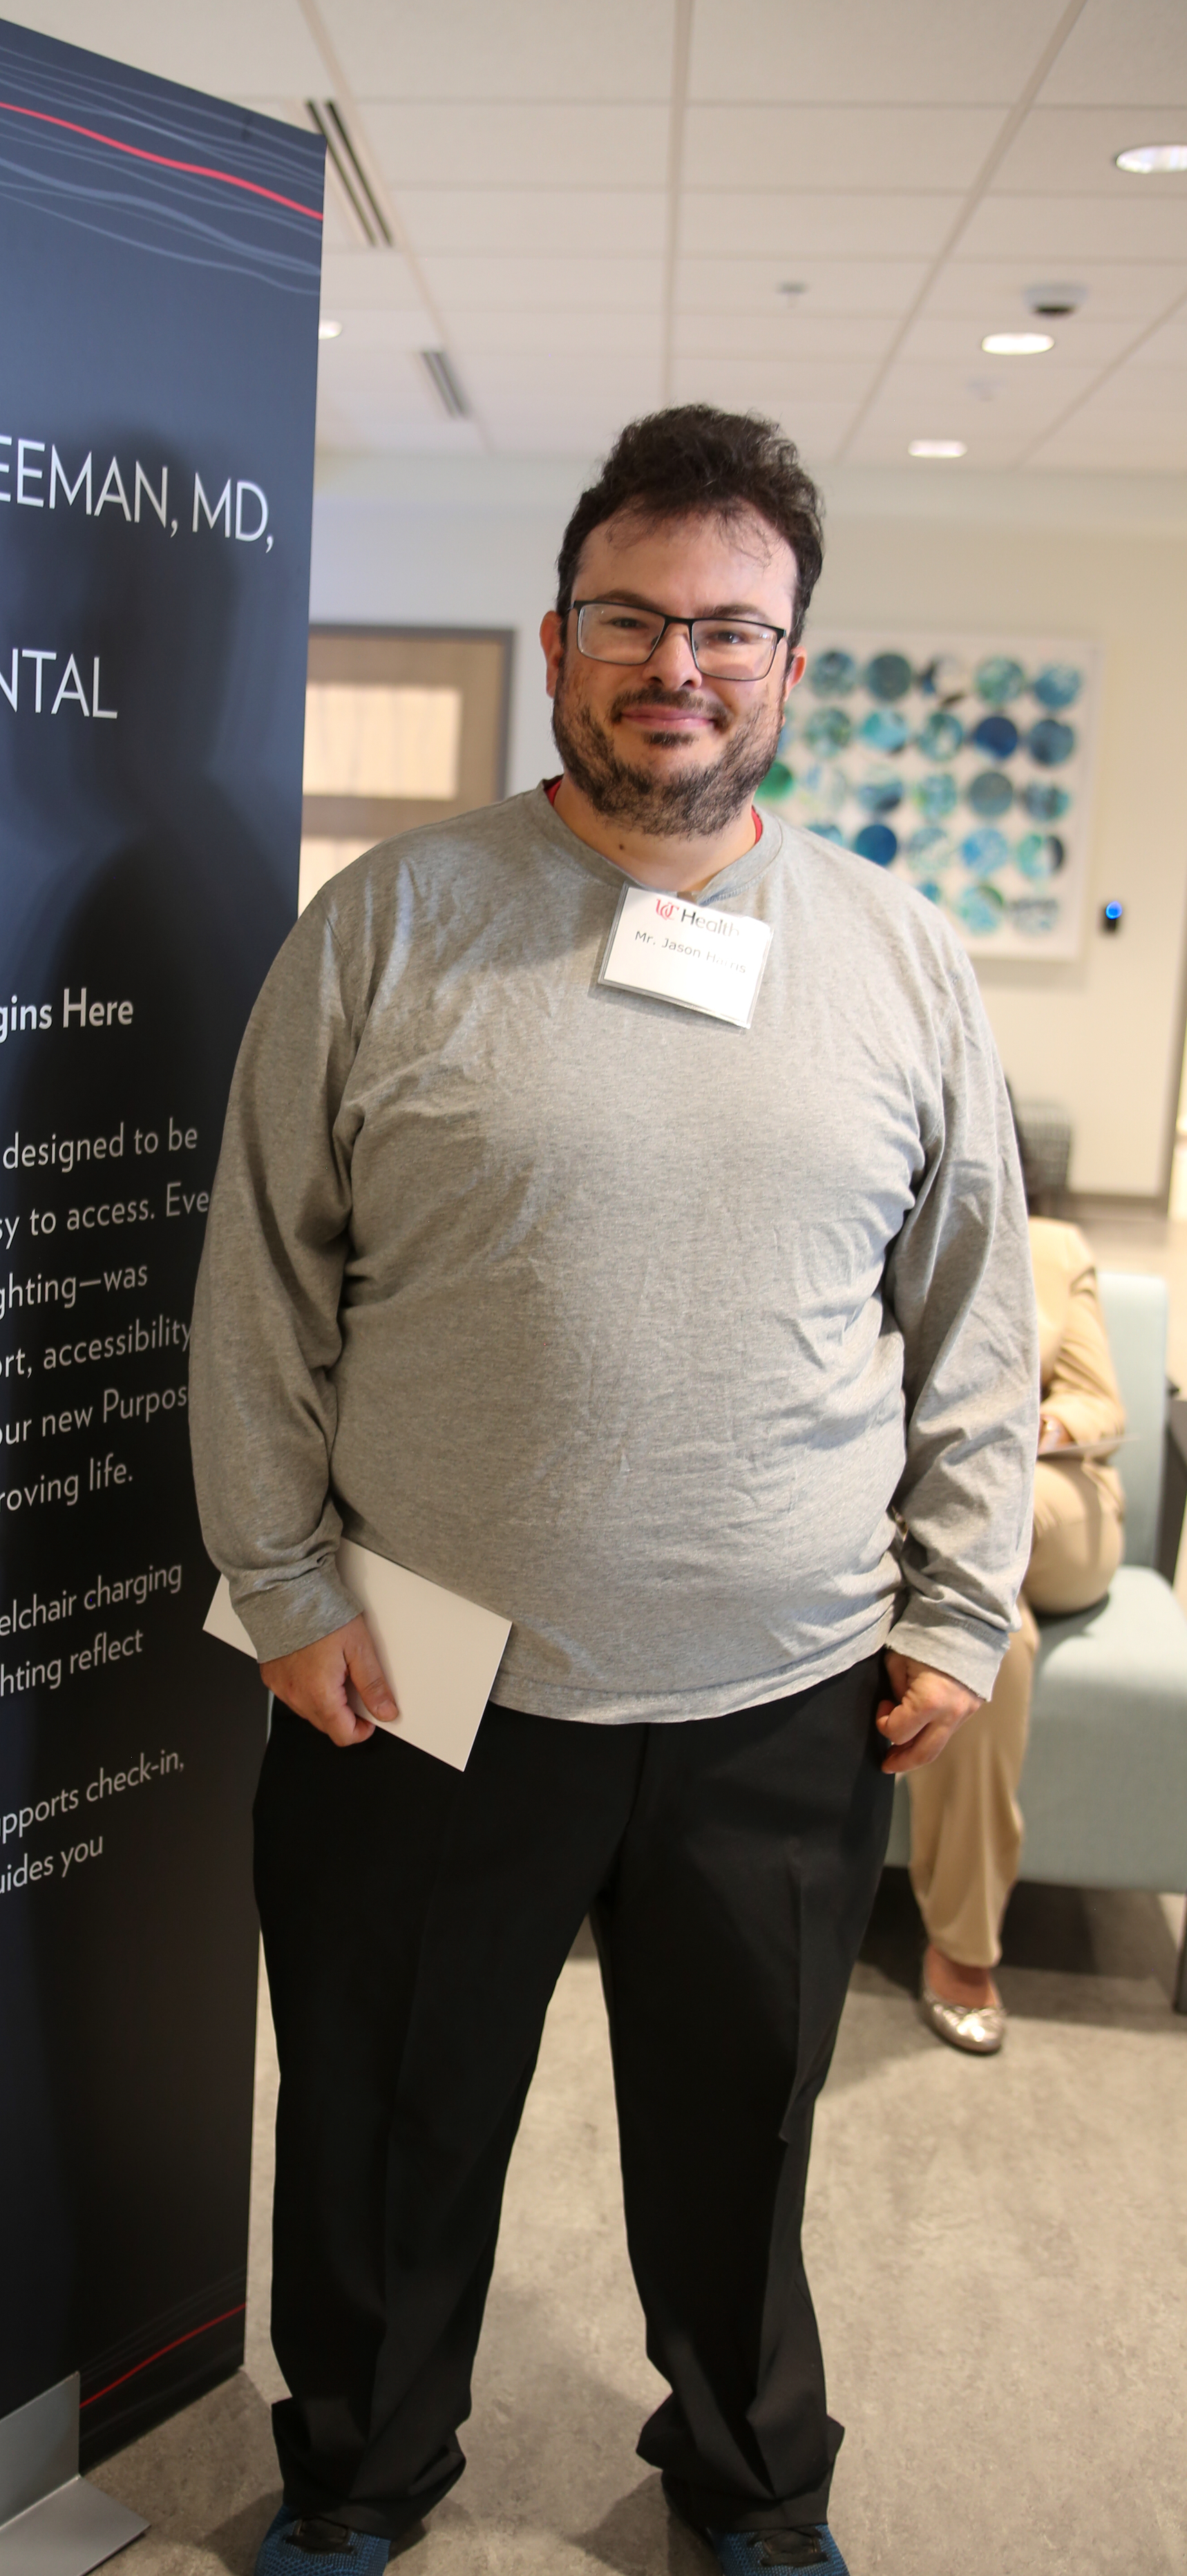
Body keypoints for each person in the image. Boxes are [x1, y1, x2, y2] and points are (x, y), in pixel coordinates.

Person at [189, 406, 1036, 2576]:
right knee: (384, 2125)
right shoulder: (384, 926)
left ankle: (751, 2483)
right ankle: (360, 2469)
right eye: (632, 617)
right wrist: (276, 1586)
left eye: (729, 628)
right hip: (419, 1670)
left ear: (788, 662)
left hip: (775, 1686)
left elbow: (967, 1309)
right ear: (555, 632)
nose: (679, 663)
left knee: (736, 2137)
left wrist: (954, 1606)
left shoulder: (894, 956)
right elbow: (259, 1285)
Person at [910, 1188, 1124, 2053]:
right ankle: (961, 1948)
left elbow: (1102, 1405)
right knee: (993, 1644)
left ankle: (965, 1597)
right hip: (943, 1511)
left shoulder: (1054, 1246)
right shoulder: (893, 1233)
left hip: (1057, 1501)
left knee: (993, 1522)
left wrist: (1031, 1428)